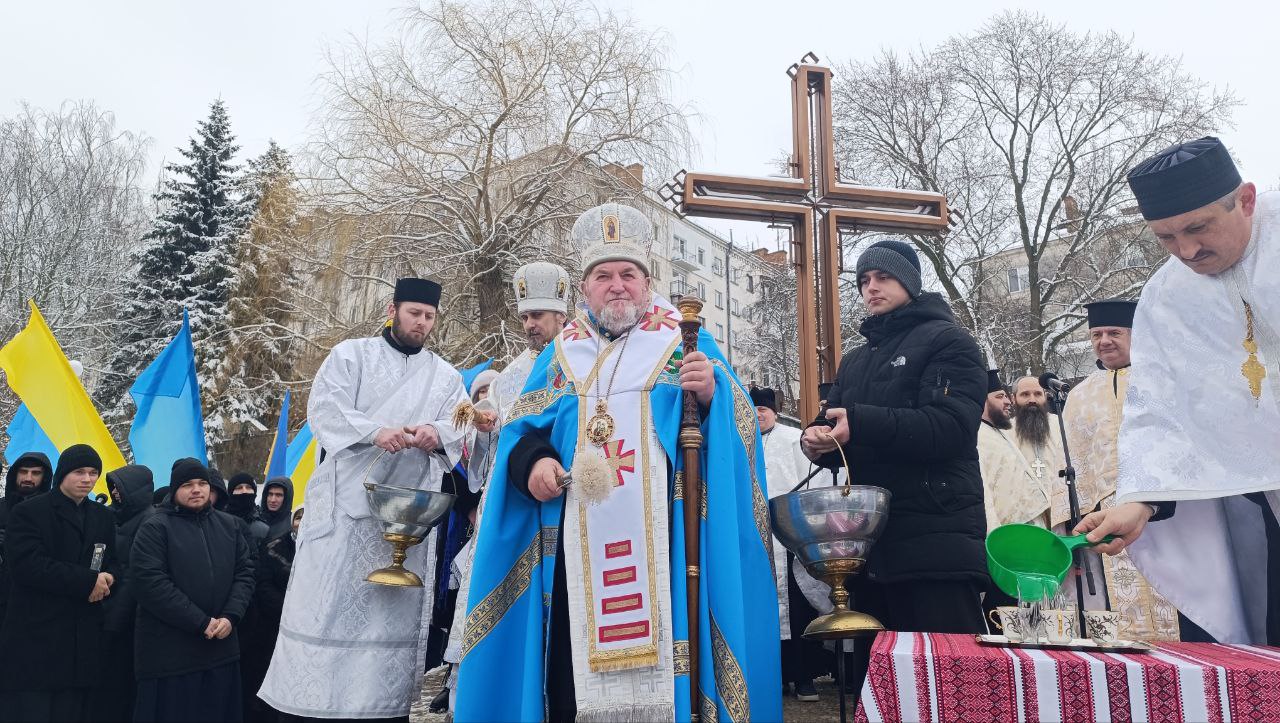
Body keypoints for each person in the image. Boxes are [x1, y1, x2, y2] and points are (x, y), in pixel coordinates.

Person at [456, 203, 782, 722]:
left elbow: (739, 433)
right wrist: (534, 464)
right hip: (575, 549)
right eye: (603, 276)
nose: (617, 286)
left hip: (668, 545)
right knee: (572, 677)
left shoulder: (684, 341)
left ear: (647, 284)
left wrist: (713, 397)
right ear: (584, 290)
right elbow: (523, 433)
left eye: (628, 274)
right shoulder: (562, 353)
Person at [1076, 137, 1280, 645]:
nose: (1187, 251)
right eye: (1166, 237)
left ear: (1246, 200)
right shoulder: (1168, 298)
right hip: (1256, 506)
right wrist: (1142, 501)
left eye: (1198, 227)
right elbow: (1160, 412)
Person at [259, 277, 469, 722]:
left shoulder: (447, 377)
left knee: (389, 617)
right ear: (393, 311)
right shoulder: (350, 356)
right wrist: (375, 432)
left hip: (408, 520)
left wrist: (436, 433)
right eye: (414, 313)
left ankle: (381, 709)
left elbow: (461, 423)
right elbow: (325, 410)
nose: (422, 323)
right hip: (347, 512)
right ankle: (314, 707)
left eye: (429, 316)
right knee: (330, 608)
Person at [799, 239, 987, 695]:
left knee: (949, 685)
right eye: (864, 280)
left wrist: (859, 423)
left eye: (883, 277)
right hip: (871, 547)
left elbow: (951, 427)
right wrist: (817, 440)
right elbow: (836, 421)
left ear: (910, 282)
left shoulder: (951, 341)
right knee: (884, 689)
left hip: (935, 542)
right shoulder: (856, 360)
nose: (871, 287)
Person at [438, 261, 571, 714]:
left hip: (563, 502)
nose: (530, 324)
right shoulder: (511, 374)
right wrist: (484, 428)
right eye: (525, 316)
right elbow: (489, 453)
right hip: (511, 506)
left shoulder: (579, 359)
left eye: (538, 315)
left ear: (561, 314)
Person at [1063, 300, 1180, 641]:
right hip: (1104, 517)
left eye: (1114, 332)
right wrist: (1072, 520)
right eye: (1096, 334)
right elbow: (1069, 457)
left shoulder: (1163, 378)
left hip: (1167, 512)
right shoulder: (1079, 395)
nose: (1104, 341)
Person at [131, 458, 255, 722]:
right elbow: (151, 583)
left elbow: (244, 574)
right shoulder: (155, 527)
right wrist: (200, 622)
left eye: (202, 483)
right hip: (171, 657)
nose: (197, 489)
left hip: (220, 650)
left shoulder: (230, 526)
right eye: (187, 484)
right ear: (175, 489)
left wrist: (231, 616)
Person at [0, 445, 117, 723]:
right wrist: (89, 582)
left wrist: (109, 578)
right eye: (79, 472)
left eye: (93, 472)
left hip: (82, 638)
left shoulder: (102, 515)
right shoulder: (29, 511)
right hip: (38, 635)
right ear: (63, 474)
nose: (87, 479)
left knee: (72, 710)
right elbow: (29, 566)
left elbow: (112, 560)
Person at [755, 386, 824, 702]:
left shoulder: (793, 438)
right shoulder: (740, 439)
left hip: (790, 538)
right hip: (757, 539)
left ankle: (805, 676)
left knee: (798, 608)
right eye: (754, 409)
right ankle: (777, 677)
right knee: (765, 610)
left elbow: (814, 478)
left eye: (763, 409)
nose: (758, 415)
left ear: (774, 412)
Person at [93, 464, 156, 722]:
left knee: (120, 683)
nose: (115, 493)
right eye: (113, 488)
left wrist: (114, 618)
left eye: (120, 488)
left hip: (127, 619)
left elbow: (134, 575)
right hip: (105, 606)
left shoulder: (149, 521)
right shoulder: (114, 516)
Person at [977, 370, 1053, 531]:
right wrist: (994, 534)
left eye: (1006, 396)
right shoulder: (978, 438)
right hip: (1010, 530)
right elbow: (982, 492)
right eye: (1000, 397)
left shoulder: (997, 432)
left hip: (1032, 523)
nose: (1007, 402)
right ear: (982, 401)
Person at [251, 507, 303, 723]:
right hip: (275, 624)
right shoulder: (275, 546)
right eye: (298, 517)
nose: (302, 522)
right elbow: (263, 583)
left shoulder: (326, 549)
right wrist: (289, 610)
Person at [0, 451, 52, 626]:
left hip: (34, 602)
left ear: (44, 477)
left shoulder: (53, 512)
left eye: (36, 473)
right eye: (23, 471)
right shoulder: (1, 507)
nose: (28, 478)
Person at [227, 473, 270, 549]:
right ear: (231, 493)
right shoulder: (218, 521)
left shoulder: (264, 526)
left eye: (249, 487)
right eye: (239, 488)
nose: (244, 491)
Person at [258, 477, 294, 542]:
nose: (273, 500)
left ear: (287, 497)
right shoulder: (256, 519)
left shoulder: (294, 524)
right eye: (270, 494)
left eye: (278, 495)